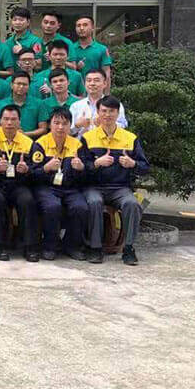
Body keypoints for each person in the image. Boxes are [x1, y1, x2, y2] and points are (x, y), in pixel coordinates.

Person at [80, 96, 150, 266]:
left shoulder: (130, 138)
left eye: (111, 111)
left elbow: (145, 167)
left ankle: (128, 248)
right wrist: (96, 163)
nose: (107, 115)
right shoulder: (88, 138)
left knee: (132, 204)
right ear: (98, 113)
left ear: (118, 113)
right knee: (94, 202)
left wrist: (132, 163)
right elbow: (80, 168)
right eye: (104, 111)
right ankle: (95, 247)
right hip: (94, 187)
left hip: (120, 188)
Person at [0, 103, 41, 262]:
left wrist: (26, 169)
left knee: (27, 200)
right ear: (0, 120)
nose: (9, 123)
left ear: (19, 121)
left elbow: (36, 168)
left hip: (18, 184)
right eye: (6, 119)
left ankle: (30, 247)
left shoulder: (28, 143)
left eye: (13, 119)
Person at [33, 107, 94, 261]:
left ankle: (72, 246)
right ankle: (49, 246)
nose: (60, 127)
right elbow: (32, 174)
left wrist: (81, 168)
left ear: (70, 126)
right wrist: (46, 168)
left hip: (70, 188)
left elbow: (85, 176)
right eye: (56, 123)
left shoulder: (77, 145)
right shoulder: (40, 144)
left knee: (80, 207)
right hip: (47, 187)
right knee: (52, 206)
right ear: (50, 125)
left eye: (65, 123)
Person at [70, 69, 127, 136]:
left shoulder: (114, 104)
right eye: (89, 80)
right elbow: (67, 132)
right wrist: (77, 126)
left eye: (96, 80)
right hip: (81, 142)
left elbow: (123, 126)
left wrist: (106, 124)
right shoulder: (76, 106)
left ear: (105, 83)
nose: (92, 84)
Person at [69, 15, 113, 86]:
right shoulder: (70, 49)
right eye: (78, 26)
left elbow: (107, 75)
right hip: (74, 90)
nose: (81, 28)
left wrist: (106, 93)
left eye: (85, 25)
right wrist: (76, 67)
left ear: (93, 28)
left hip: (95, 89)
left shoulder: (102, 49)